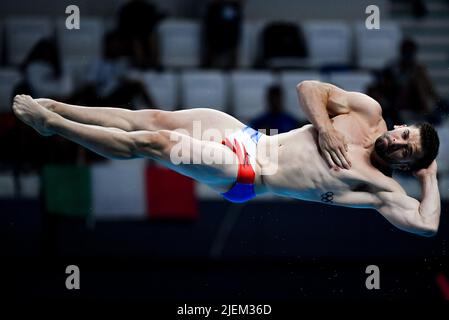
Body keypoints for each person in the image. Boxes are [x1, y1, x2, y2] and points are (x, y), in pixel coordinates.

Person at [12, 80, 441, 237]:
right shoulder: (366, 110)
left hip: (246, 174)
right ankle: (62, 109)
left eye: (407, 151)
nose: (398, 142)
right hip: (247, 137)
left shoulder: (380, 185)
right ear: (399, 123)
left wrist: (430, 177)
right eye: (404, 133)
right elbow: (309, 89)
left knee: (156, 142)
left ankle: (52, 126)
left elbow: (427, 226)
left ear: (406, 164)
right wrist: (326, 127)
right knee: (151, 117)